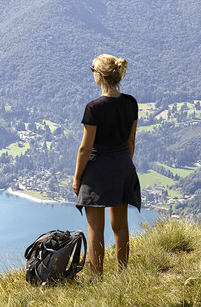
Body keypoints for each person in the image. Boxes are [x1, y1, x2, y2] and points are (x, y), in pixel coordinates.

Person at [72, 54, 140, 277]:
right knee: (120, 226)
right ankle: (123, 275)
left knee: (95, 228)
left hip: (97, 172)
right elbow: (131, 142)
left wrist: (77, 178)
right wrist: (123, 166)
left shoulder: (94, 108)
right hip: (122, 166)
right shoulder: (131, 103)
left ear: (99, 76)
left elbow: (85, 148)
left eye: (92, 69)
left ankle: (96, 278)